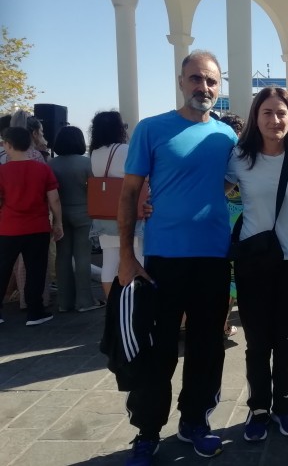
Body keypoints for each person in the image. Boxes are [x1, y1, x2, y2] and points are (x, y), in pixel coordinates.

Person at [117, 50, 237, 465]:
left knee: (207, 346)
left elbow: (225, 183)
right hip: (163, 259)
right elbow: (129, 193)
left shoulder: (227, 136)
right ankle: (148, 432)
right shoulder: (151, 129)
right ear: (181, 80)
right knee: (158, 349)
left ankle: (195, 422)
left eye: (211, 81)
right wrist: (126, 255)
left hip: (213, 257)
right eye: (196, 78)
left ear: (218, 88)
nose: (203, 87)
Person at [226, 87, 288, 441]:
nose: (274, 120)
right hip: (254, 260)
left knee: (287, 339)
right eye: (267, 112)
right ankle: (259, 407)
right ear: (255, 117)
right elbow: (212, 194)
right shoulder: (239, 157)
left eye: (281, 113)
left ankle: (285, 407)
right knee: (258, 340)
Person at [0, 127, 63, 326]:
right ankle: (35, 312)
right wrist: (58, 222)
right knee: (36, 270)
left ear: (8, 145)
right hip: (38, 227)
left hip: (8, 228)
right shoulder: (43, 169)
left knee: (2, 269)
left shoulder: (2, 171)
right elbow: (54, 200)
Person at [89, 111, 144, 299]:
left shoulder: (95, 153)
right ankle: (136, 304)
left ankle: (112, 304)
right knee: (138, 259)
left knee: (109, 263)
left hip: (105, 215)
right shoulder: (125, 150)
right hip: (129, 213)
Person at [49, 126, 101, 312]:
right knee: (82, 257)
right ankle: (85, 301)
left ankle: (65, 302)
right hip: (83, 214)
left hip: (60, 214)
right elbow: (95, 190)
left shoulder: (51, 164)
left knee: (62, 256)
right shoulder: (86, 162)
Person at [219, 113, 245, 339]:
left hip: (220, 221)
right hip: (241, 223)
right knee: (234, 279)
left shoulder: (217, 156)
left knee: (224, 278)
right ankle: (223, 326)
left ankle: (221, 324)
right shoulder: (242, 156)